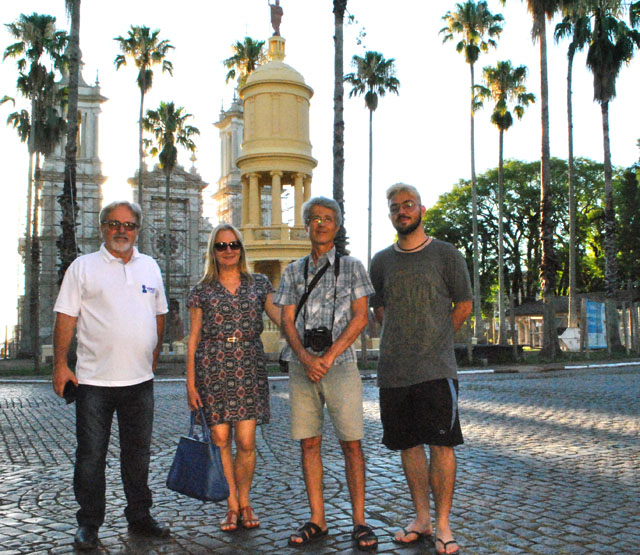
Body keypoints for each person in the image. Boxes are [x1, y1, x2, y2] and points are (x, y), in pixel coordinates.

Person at [52, 200, 170, 551]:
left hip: (139, 382)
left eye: (129, 225)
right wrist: (60, 364)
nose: (122, 230)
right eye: (114, 224)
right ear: (103, 227)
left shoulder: (150, 267)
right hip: (93, 383)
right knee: (91, 456)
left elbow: (159, 314)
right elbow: (66, 317)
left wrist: (154, 353)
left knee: (138, 455)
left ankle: (140, 516)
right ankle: (89, 523)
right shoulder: (83, 267)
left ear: (138, 230)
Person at [369, 183, 473, 555]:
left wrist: (435, 337)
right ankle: (422, 519)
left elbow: (463, 304)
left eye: (408, 204)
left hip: (436, 368)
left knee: (442, 446)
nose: (402, 211)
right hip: (394, 371)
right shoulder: (381, 261)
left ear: (422, 209)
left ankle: (443, 525)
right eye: (395, 206)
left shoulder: (446, 255)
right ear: (391, 214)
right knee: (408, 446)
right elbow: (380, 309)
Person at [274, 196, 378, 551]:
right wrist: (305, 356)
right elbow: (286, 319)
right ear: (306, 225)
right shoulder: (292, 271)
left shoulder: (352, 267)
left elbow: (361, 317)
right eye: (314, 218)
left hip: (341, 364)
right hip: (304, 366)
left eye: (328, 218)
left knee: (351, 443)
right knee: (309, 442)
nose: (320, 223)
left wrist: (328, 356)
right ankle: (317, 518)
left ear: (337, 226)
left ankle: (360, 521)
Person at [186, 224, 280, 532]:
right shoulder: (202, 289)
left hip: (250, 364)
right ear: (212, 251)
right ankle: (232, 504)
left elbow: (282, 319)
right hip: (212, 367)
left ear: (241, 248)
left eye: (234, 245)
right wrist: (190, 383)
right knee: (221, 439)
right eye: (221, 246)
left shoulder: (260, 284)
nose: (228, 250)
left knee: (246, 440)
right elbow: (194, 337)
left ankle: (246, 499)